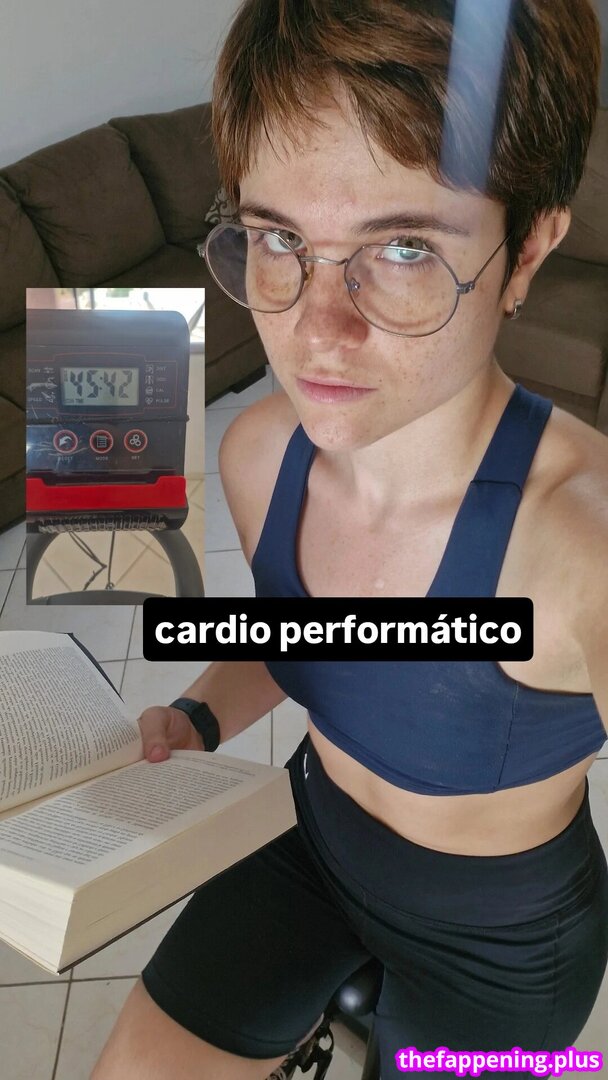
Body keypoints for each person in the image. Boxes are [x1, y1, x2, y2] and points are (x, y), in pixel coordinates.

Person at [92, 1, 608, 1077]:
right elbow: (305, 637)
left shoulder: (579, 540)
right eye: (280, 238)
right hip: (308, 844)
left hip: (503, 948)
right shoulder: (259, 454)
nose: (316, 331)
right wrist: (199, 714)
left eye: (405, 247)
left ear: (526, 251)